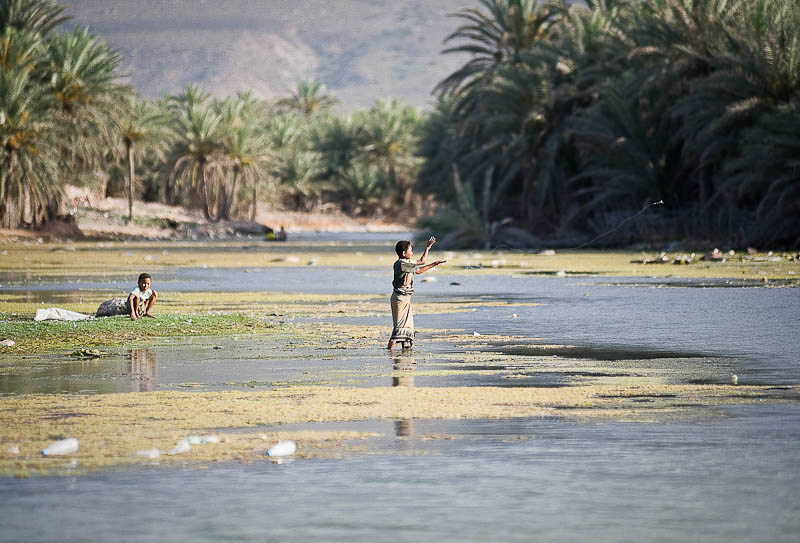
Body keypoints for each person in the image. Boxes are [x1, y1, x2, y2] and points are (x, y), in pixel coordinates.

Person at [387, 236, 445, 350]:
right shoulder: (401, 264)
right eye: (410, 250)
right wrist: (435, 263)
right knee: (398, 331)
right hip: (399, 299)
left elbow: (422, 262)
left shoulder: (406, 262)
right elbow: (419, 270)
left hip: (405, 299)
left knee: (407, 330)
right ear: (404, 253)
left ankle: (405, 355)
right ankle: (389, 353)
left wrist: (428, 248)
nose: (412, 252)